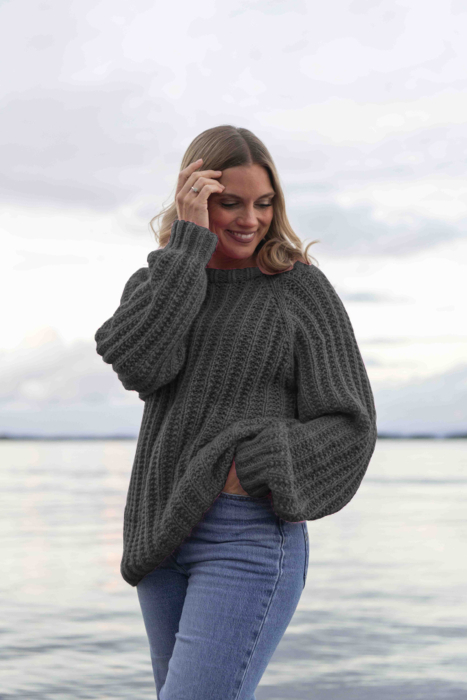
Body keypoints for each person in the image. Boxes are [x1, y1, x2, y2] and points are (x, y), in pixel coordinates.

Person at [94, 125, 377, 699]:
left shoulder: (297, 287)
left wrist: (255, 466)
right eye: (231, 203)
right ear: (193, 199)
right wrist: (186, 252)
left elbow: (352, 422)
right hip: (160, 532)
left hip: (246, 533)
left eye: (264, 203)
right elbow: (141, 366)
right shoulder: (158, 282)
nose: (251, 220)